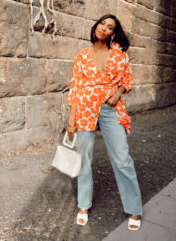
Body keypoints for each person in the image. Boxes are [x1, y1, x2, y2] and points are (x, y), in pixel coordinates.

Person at [67, 14, 142, 230]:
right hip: (85, 108)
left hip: (110, 109)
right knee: (84, 158)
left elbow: (128, 80)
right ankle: (83, 205)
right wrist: (71, 121)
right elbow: (75, 89)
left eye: (110, 27)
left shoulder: (119, 54)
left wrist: (119, 93)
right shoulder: (82, 55)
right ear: (96, 26)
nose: (104, 28)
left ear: (113, 33)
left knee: (122, 159)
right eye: (102, 24)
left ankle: (134, 208)